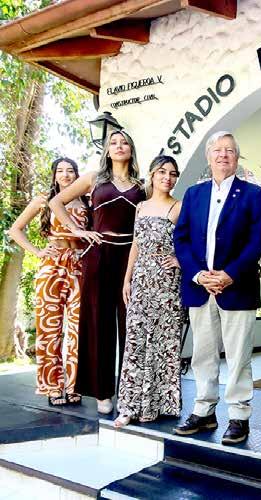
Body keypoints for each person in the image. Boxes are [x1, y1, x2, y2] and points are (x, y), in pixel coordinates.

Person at [173, 131, 261, 445]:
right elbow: (181, 239)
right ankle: (204, 410)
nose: (223, 155)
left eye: (229, 150)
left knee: (238, 357)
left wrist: (229, 274)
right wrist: (199, 275)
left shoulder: (253, 194)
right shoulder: (193, 194)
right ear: (208, 156)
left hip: (236, 287)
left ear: (236, 157)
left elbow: (257, 241)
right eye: (217, 150)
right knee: (202, 354)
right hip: (200, 288)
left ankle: (239, 417)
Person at [50, 130, 145, 414]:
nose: (119, 146)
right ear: (107, 150)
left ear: (131, 149)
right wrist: (77, 230)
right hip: (99, 254)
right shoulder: (94, 178)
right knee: (98, 323)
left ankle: (130, 390)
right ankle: (102, 392)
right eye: (113, 143)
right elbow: (56, 202)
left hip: (130, 257)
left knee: (131, 323)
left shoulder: (142, 186)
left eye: (124, 142)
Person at [8, 158, 89, 406]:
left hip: (80, 266)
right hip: (52, 266)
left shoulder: (87, 200)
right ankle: (52, 386)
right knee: (49, 328)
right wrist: (37, 252)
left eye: (70, 171)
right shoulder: (44, 200)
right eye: (60, 171)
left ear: (77, 175)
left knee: (78, 329)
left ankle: (75, 385)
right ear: (54, 175)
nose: (65, 175)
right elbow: (15, 230)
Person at [114, 155, 187, 427]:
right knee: (135, 342)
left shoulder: (179, 207)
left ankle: (156, 406)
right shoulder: (141, 206)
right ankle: (129, 406)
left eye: (172, 173)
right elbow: (136, 244)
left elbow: (193, 241)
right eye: (162, 172)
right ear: (152, 174)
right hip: (141, 280)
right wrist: (127, 279)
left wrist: (179, 260)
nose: (167, 178)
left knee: (162, 343)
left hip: (167, 283)